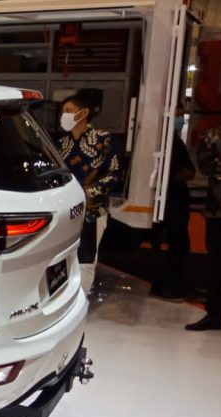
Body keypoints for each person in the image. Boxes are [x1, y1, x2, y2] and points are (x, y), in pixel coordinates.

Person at [58, 94, 123, 294]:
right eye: (63, 111)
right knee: (64, 257)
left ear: (84, 112)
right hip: (66, 208)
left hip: (92, 209)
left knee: (85, 258)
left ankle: (81, 298)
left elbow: (115, 172)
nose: (64, 115)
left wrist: (89, 192)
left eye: (69, 111)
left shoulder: (103, 139)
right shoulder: (62, 143)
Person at [151, 108, 197, 300]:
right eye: (178, 114)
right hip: (173, 199)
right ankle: (167, 286)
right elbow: (188, 171)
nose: (180, 118)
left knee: (179, 245)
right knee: (178, 245)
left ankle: (172, 284)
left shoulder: (173, 141)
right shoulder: (171, 143)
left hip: (175, 198)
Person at [186, 122, 221, 331]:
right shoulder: (213, 135)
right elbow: (205, 167)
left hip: (217, 204)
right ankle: (214, 313)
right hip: (218, 208)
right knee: (216, 263)